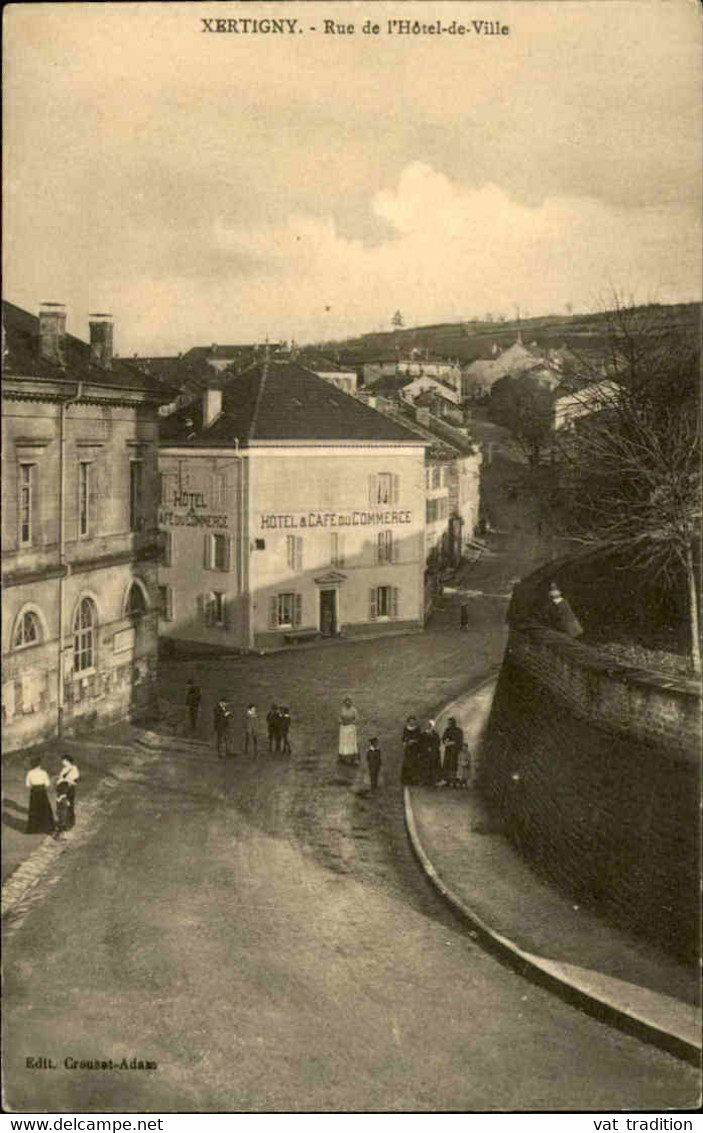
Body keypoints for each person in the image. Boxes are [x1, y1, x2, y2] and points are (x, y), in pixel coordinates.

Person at [25, 756, 55, 835]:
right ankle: (47, 827)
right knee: (44, 809)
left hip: (34, 792)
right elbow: (47, 784)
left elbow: (27, 784)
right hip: (42, 792)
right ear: (39, 765)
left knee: (34, 809)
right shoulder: (43, 772)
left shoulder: (29, 773)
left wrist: (34, 785)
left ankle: (34, 829)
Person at [56, 754, 80, 828]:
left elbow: (75, 781)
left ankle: (69, 823)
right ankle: (64, 822)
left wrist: (64, 780)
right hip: (62, 789)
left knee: (69, 805)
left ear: (68, 761)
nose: (62, 762)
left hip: (69, 789)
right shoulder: (64, 768)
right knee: (63, 805)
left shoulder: (74, 769)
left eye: (64, 761)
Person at [441, 717, 464, 787]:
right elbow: (443, 738)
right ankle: (447, 780)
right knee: (447, 764)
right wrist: (445, 741)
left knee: (454, 765)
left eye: (450, 723)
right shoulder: (447, 730)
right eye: (448, 723)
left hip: (455, 751)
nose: (449, 724)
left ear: (453, 723)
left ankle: (453, 781)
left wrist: (453, 743)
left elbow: (460, 741)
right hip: (448, 750)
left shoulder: (459, 731)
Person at [400, 715, 422, 785]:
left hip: (415, 749)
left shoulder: (417, 729)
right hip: (408, 749)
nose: (412, 723)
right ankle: (407, 779)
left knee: (415, 763)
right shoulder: (406, 729)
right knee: (407, 763)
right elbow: (403, 738)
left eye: (413, 721)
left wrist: (414, 741)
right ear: (408, 722)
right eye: (411, 721)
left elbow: (419, 739)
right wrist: (406, 743)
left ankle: (415, 779)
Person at [420, 720, 442, 787]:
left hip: (433, 753)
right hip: (425, 754)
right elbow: (421, 743)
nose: (430, 727)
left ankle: (433, 781)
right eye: (429, 725)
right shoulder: (423, 734)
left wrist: (433, 748)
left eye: (431, 726)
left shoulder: (435, 734)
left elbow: (438, 743)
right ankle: (425, 780)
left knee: (433, 767)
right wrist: (426, 748)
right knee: (426, 766)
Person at [338, 697, 359, 764]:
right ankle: (342, 758)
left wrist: (350, 723)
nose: (348, 703)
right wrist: (341, 722)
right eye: (346, 702)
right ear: (344, 703)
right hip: (343, 728)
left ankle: (354, 759)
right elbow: (339, 718)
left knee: (352, 742)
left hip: (351, 728)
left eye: (349, 702)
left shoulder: (354, 710)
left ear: (351, 702)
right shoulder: (342, 709)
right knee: (343, 742)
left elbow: (357, 719)